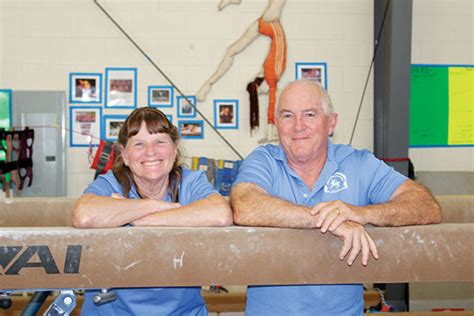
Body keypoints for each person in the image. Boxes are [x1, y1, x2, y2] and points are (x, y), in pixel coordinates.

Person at [230, 80, 442, 315]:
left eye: (309, 114)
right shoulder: (264, 160)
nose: (298, 126)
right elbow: (244, 205)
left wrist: (361, 213)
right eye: (287, 116)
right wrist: (329, 220)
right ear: (277, 124)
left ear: (331, 123)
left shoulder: (358, 163)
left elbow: (426, 206)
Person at [72, 107, 232, 315]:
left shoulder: (190, 182)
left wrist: (137, 219)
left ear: (175, 150)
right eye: (139, 144)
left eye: (160, 142)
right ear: (125, 155)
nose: (150, 152)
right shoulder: (112, 183)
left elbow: (221, 214)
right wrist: (154, 205)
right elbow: (84, 215)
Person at [197, 0, 286, 141]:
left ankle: (208, 84)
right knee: (232, 51)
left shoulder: (270, 76)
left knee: (232, 51)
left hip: (265, 26)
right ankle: (208, 84)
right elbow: (272, 98)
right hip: (269, 28)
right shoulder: (272, 76)